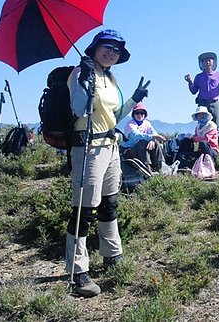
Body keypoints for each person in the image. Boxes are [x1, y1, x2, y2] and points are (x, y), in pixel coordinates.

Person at [65, 29, 150, 297]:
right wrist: (87, 80)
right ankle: (77, 271)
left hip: (110, 146)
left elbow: (114, 115)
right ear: (94, 47)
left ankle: (112, 254)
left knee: (109, 203)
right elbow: (79, 109)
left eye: (116, 49)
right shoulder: (79, 73)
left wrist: (135, 98)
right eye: (107, 46)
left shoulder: (110, 77)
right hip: (88, 148)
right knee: (83, 211)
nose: (111, 52)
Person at [184, 52, 219, 128]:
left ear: (213, 62)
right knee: (203, 126)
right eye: (205, 61)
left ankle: (216, 139)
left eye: (209, 60)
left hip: (215, 104)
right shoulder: (199, 77)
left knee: (216, 126)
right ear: (202, 63)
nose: (207, 62)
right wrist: (190, 82)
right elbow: (193, 91)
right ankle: (202, 139)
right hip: (203, 104)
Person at [120, 103, 166, 173]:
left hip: (141, 149)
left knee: (155, 143)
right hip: (128, 150)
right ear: (133, 114)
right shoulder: (130, 124)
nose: (140, 115)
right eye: (137, 113)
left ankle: (160, 166)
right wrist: (152, 137)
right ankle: (147, 168)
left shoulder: (147, 123)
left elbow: (154, 133)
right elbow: (135, 136)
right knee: (142, 142)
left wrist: (152, 140)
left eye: (142, 113)